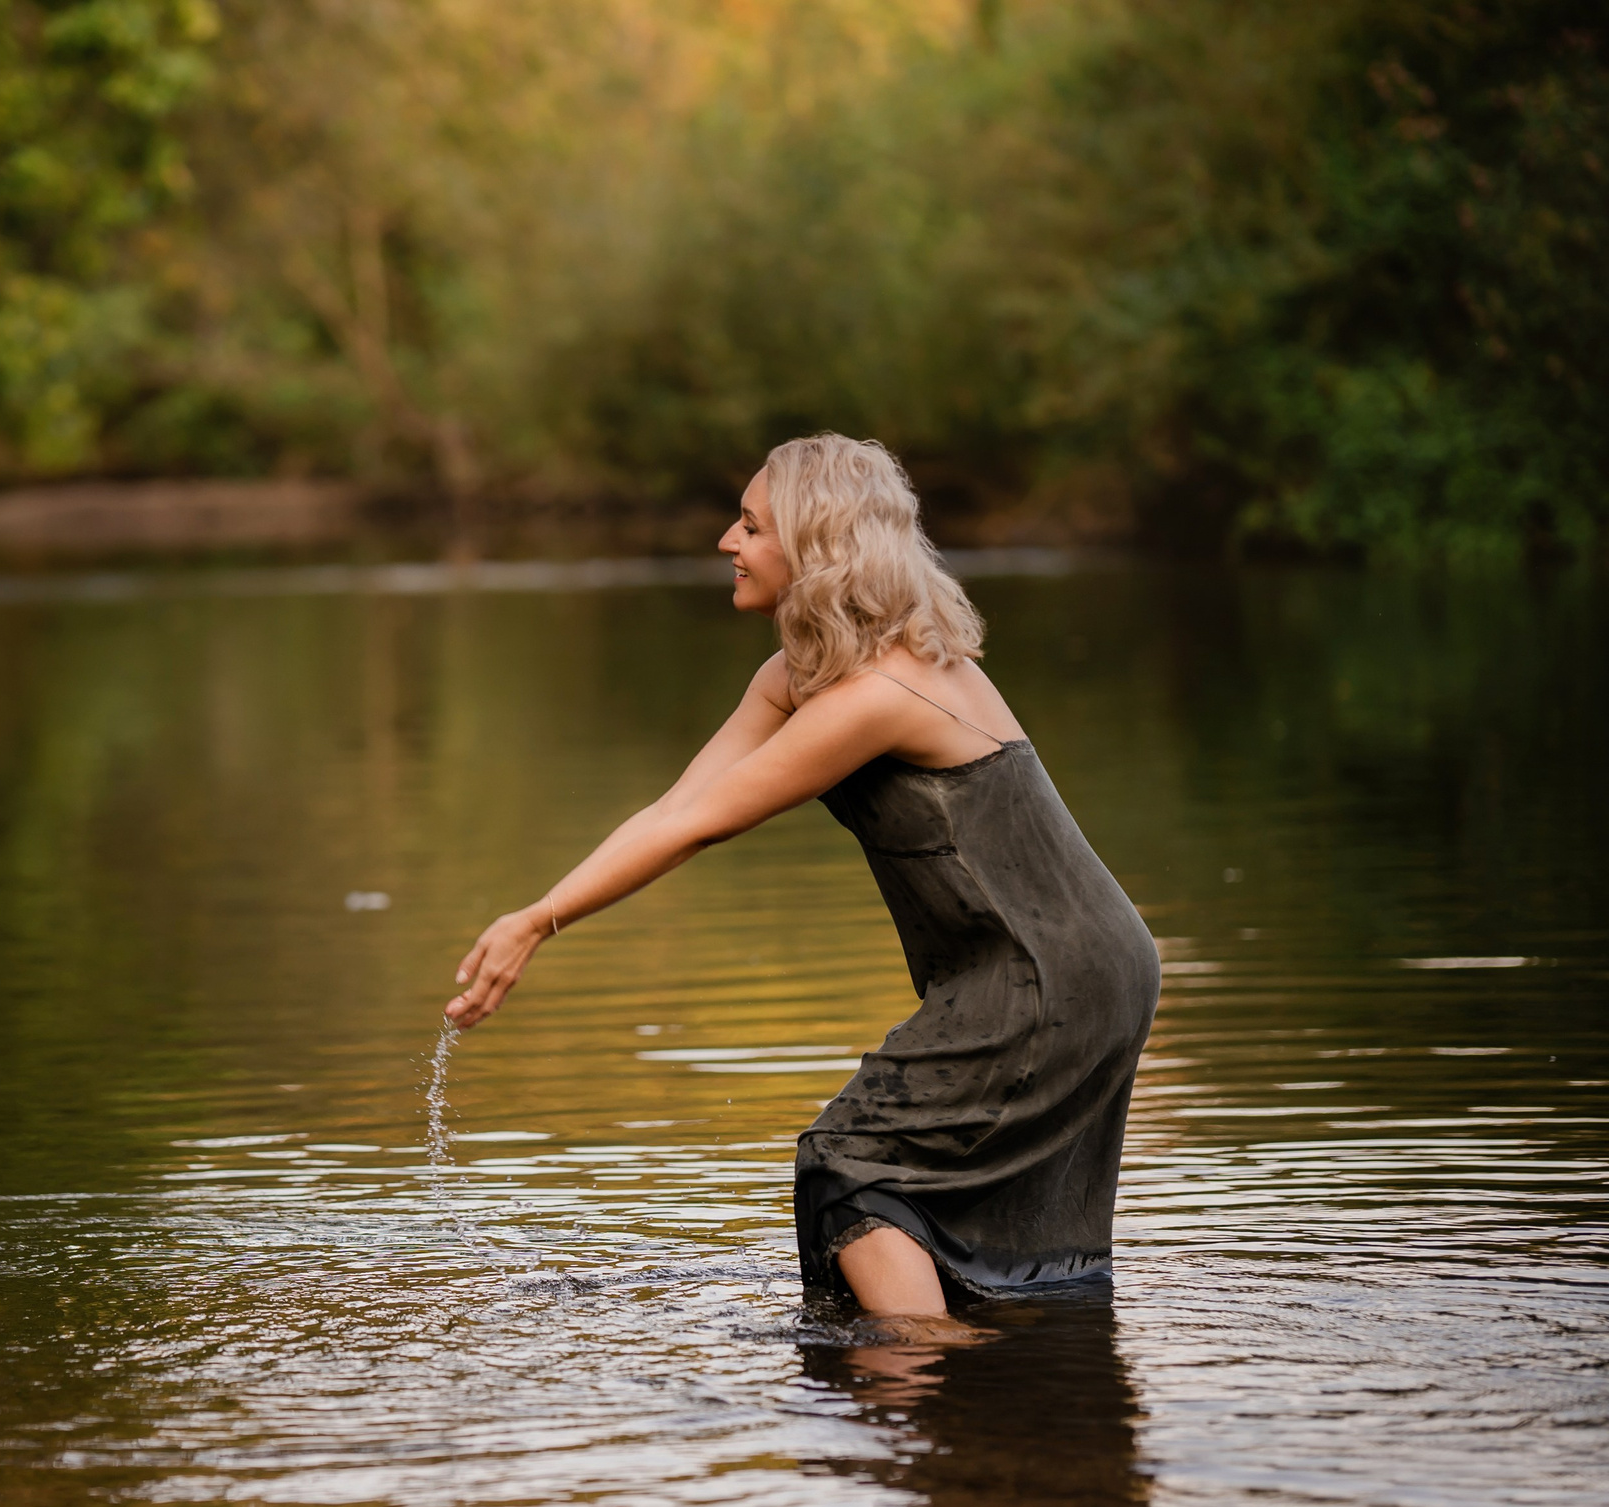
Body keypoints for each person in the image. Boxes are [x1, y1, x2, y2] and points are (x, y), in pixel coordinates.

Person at [445, 433, 1159, 1330]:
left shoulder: (877, 697)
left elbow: (698, 826)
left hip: (1041, 975)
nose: (725, 542)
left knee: (850, 1164)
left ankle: (931, 1374)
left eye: (749, 525)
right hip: (1093, 964)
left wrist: (538, 921)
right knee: (929, 1199)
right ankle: (1005, 1393)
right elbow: (677, 805)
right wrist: (539, 912)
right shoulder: (810, 677)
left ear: (815, 547)